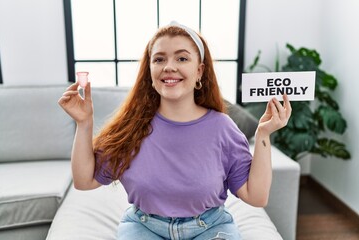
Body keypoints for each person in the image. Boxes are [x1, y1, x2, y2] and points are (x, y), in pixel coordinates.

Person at [58, 21, 291, 240]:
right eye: (159, 59)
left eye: (181, 58)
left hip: (210, 228)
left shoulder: (222, 127)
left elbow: (256, 196)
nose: (169, 67)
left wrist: (263, 134)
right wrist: (84, 123)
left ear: (199, 71)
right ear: (149, 70)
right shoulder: (131, 126)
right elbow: (84, 181)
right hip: (144, 226)